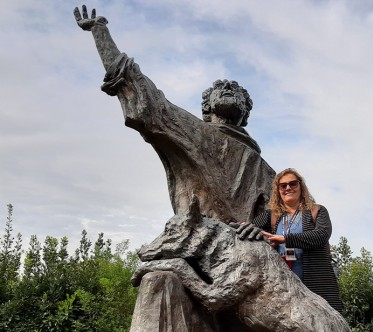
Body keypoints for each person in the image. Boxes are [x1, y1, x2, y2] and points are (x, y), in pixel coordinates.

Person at [74, 6, 274, 224]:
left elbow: (276, 212)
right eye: (221, 89)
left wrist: (255, 229)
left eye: (237, 93)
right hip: (200, 230)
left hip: (248, 240)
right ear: (207, 110)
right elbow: (146, 97)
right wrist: (100, 32)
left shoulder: (263, 168)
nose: (229, 89)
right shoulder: (192, 130)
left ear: (245, 113)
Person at [236, 168, 343, 313]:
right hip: (284, 286)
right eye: (283, 185)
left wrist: (285, 239)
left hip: (317, 284)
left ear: (301, 186)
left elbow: (321, 235)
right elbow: (250, 228)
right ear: (278, 190)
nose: (288, 188)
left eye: (293, 184)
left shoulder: (317, 211)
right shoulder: (272, 215)